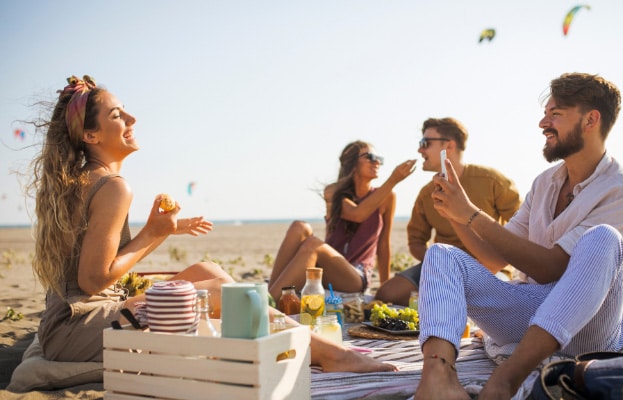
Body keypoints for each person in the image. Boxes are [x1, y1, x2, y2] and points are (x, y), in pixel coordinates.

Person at [24, 75, 396, 374]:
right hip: (80, 330)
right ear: (90, 135)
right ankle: (329, 355)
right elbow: (93, 280)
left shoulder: (87, 179)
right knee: (225, 292)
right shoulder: (113, 186)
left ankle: (296, 346)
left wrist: (162, 231)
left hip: (73, 324)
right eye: (118, 115)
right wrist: (154, 233)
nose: (132, 120)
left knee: (208, 271)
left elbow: (92, 263)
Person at [413, 73, 623, 400]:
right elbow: (494, 258)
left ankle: (506, 379)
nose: (543, 123)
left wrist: (471, 212)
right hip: (530, 314)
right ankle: (437, 379)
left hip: (589, 329)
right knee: (441, 254)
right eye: (545, 113)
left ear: (590, 120)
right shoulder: (544, 183)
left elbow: (550, 268)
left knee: (604, 238)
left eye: (556, 114)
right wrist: (459, 217)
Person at [374, 117, 520, 306]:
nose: (420, 150)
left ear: (448, 146)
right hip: (442, 265)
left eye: (425, 143)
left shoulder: (491, 180)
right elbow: (416, 241)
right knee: (387, 294)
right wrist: (440, 263)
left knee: (489, 301)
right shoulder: (427, 193)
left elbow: (522, 226)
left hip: (489, 266)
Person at [268, 141, 416, 302]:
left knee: (313, 245)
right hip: (328, 268)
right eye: (370, 157)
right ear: (352, 163)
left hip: (356, 275)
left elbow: (384, 244)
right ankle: (269, 295)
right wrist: (393, 180)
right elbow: (357, 214)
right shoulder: (332, 191)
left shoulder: (387, 197)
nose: (377, 162)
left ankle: (268, 303)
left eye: (379, 159)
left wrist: (384, 289)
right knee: (299, 227)